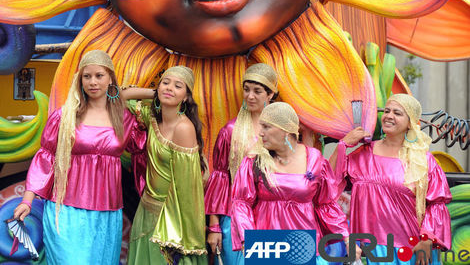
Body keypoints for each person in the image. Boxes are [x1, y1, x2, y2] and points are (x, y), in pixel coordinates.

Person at [13, 49, 147, 265]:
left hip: (106, 213)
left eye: (99, 76)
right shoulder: (65, 116)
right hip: (66, 210)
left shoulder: (125, 118)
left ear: (111, 78)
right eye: (87, 76)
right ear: (80, 80)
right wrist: (28, 200)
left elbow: (143, 154)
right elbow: (46, 159)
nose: (93, 82)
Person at [331, 93, 452, 265]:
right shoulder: (364, 154)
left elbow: (437, 204)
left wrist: (427, 239)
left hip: (409, 250)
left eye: (397, 113)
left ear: (410, 122)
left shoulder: (423, 160)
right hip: (367, 249)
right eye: (387, 111)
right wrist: (343, 144)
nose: (389, 116)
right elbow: (329, 181)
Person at [230, 102, 354, 264]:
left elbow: (325, 204)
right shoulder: (254, 160)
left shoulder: (315, 160)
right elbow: (241, 203)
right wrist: (247, 238)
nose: (261, 133)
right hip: (266, 242)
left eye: (267, 127)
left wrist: (346, 237)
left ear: (285, 131)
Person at [127, 65, 208, 265]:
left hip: (169, 218)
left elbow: (186, 189)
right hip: (146, 210)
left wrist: (179, 234)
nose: (170, 88)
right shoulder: (153, 119)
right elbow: (119, 96)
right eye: (165, 83)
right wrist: (155, 92)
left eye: (178, 86)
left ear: (187, 97)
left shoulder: (183, 128)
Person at [205, 63, 277, 264]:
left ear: (270, 94)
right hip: (235, 217)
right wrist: (214, 226)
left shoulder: (280, 131)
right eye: (246, 90)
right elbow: (220, 180)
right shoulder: (230, 130)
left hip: (271, 215)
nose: (250, 96)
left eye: (257, 91)